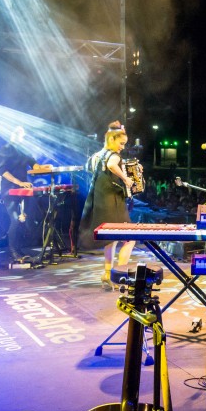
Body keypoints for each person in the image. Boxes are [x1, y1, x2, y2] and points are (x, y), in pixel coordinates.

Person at [77, 121, 136, 289]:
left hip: (100, 201)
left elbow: (89, 168)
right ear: (113, 140)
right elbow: (111, 165)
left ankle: (107, 273)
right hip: (113, 201)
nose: (123, 147)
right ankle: (120, 275)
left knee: (110, 239)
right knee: (130, 239)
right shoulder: (113, 156)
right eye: (121, 143)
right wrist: (126, 179)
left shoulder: (98, 154)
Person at [0, 126, 48, 262]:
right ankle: (13, 250)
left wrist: (44, 168)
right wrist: (19, 182)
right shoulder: (5, 150)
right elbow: (4, 171)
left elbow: (34, 165)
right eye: (18, 133)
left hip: (23, 189)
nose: (20, 136)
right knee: (14, 219)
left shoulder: (23, 150)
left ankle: (19, 249)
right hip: (10, 189)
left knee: (24, 219)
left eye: (22, 134)